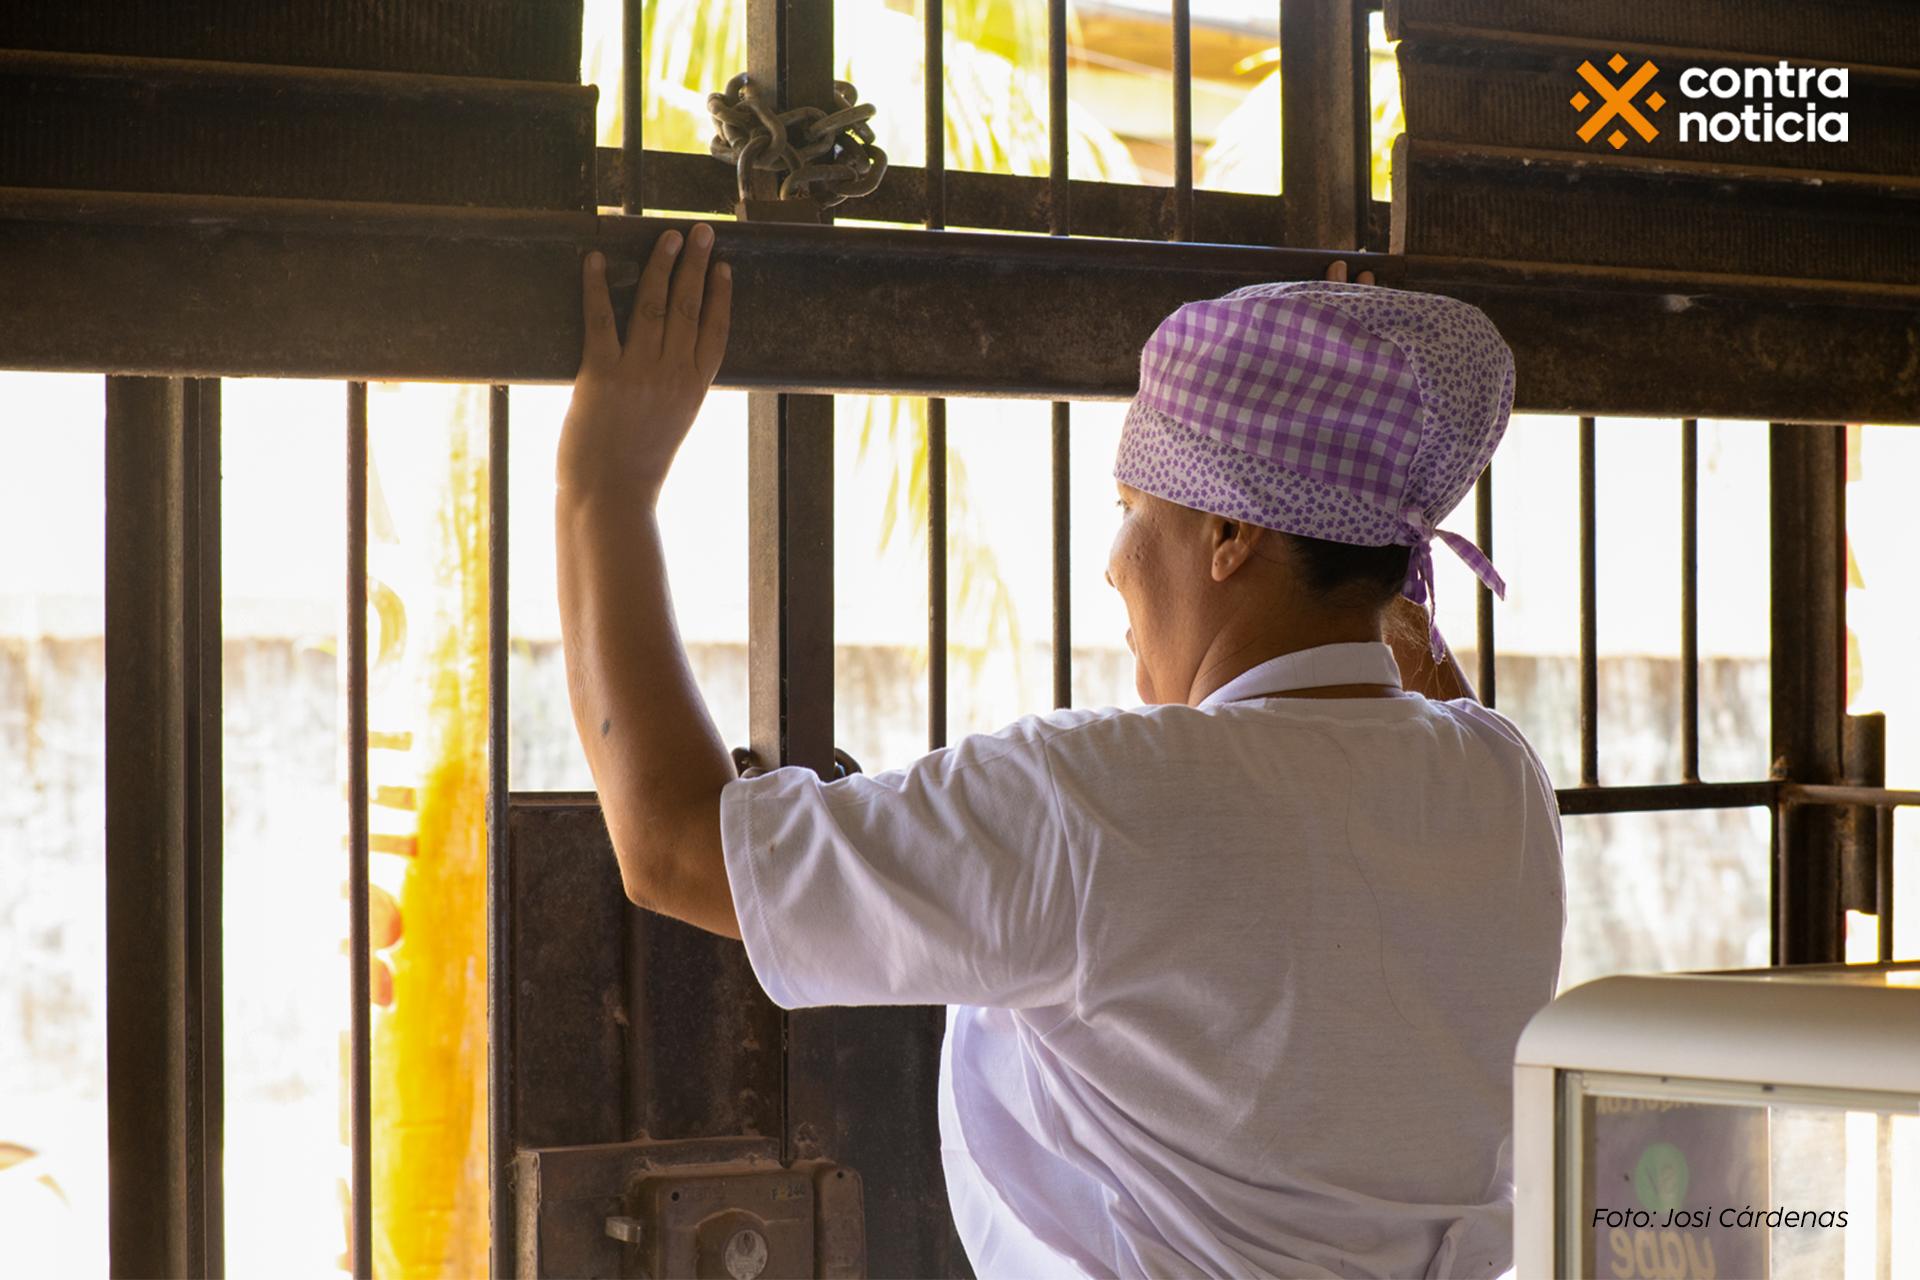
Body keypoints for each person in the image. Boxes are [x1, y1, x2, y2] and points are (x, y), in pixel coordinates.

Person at [556, 223, 1565, 1280]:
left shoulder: (1107, 802)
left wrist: (604, 487)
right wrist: (1358, 478)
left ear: (1229, 535)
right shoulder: (1501, 782)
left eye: (1134, 509)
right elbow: (1404, 666)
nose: (1114, 564)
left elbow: (673, 846)